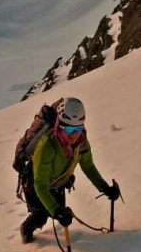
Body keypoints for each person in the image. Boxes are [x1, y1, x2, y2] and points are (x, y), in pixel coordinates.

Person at [19, 96, 118, 244]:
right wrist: (56, 211)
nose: (74, 134)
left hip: (58, 182)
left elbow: (88, 167)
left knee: (59, 213)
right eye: (69, 128)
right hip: (35, 184)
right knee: (41, 215)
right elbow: (40, 185)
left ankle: (51, 214)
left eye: (78, 128)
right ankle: (26, 229)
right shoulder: (47, 146)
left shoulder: (81, 142)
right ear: (59, 125)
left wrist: (105, 188)